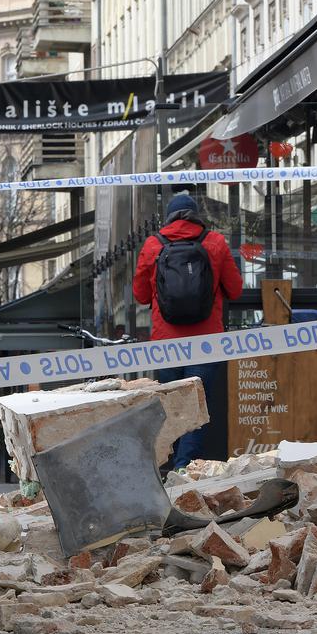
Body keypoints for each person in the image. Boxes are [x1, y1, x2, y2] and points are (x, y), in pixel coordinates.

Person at [132, 193, 244, 470]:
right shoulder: (215, 242)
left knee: (172, 406)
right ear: (196, 215)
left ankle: (166, 465)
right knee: (196, 405)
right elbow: (235, 289)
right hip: (206, 341)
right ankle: (184, 466)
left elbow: (140, 295)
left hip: (166, 343)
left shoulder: (153, 244)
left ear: (168, 217)